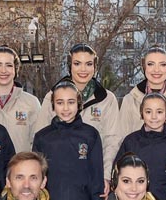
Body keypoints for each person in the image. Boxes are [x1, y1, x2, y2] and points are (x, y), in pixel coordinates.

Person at [36, 43, 122, 192]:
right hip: (57, 178)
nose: (83, 69)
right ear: (70, 66)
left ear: (95, 67)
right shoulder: (52, 96)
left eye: (88, 64)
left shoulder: (107, 99)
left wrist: (106, 175)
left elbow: (112, 141)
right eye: (77, 63)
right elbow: (40, 138)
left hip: (92, 177)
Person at [32, 79, 104, 200]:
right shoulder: (42, 137)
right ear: (53, 105)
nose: (65, 108)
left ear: (79, 103)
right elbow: (36, 180)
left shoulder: (90, 135)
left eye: (71, 102)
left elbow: (96, 179)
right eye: (60, 102)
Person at [117, 46, 166, 166]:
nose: (156, 70)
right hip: (137, 171)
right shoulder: (130, 100)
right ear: (144, 67)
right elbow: (121, 139)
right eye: (151, 64)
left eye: (162, 64)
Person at [0, 45, 41, 156]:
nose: (3, 70)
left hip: (22, 166)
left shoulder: (31, 103)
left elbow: (39, 143)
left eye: (9, 65)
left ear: (16, 69)